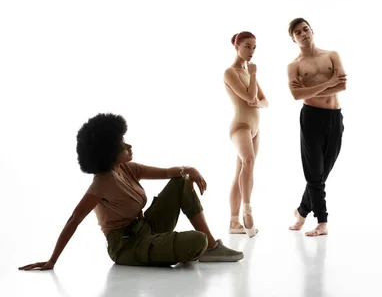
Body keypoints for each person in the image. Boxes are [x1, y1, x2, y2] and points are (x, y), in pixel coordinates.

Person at [18, 113, 243, 271]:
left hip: (145, 228)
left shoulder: (126, 168)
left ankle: (212, 248)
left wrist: (190, 169)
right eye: (123, 144)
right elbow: (74, 218)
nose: (129, 146)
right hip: (127, 246)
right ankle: (200, 246)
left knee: (182, 181)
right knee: (197, 241)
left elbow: (167, 172)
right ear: (108, 152)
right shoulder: (102, 182)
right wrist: (52, 260)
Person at [286, 18, 347, 237]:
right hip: (311, 117)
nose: (303, 34)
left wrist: (311, 89)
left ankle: (301, 212)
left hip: (334, 117)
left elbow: (342, 84)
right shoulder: (294, 65)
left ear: (312, 31)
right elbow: (296, 95)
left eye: (305, 29)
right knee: (314, 173)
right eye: (298, 32)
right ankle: (322, 222)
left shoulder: (332, 55)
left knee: (322, 173)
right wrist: (329, 83)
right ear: (293, 39)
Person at [223, 32, 268, 237]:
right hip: (240, 125)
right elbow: (249, 95)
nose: (251, 51)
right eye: (248, 46)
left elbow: (264, 100)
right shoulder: (231, 72)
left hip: (255, 128)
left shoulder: (248, 72)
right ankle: (247, 213)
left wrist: (256, 101)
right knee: (248, 162)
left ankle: (234, 223)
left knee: (242, 170)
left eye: (254, 47)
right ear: (237, 47)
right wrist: (254, 75)